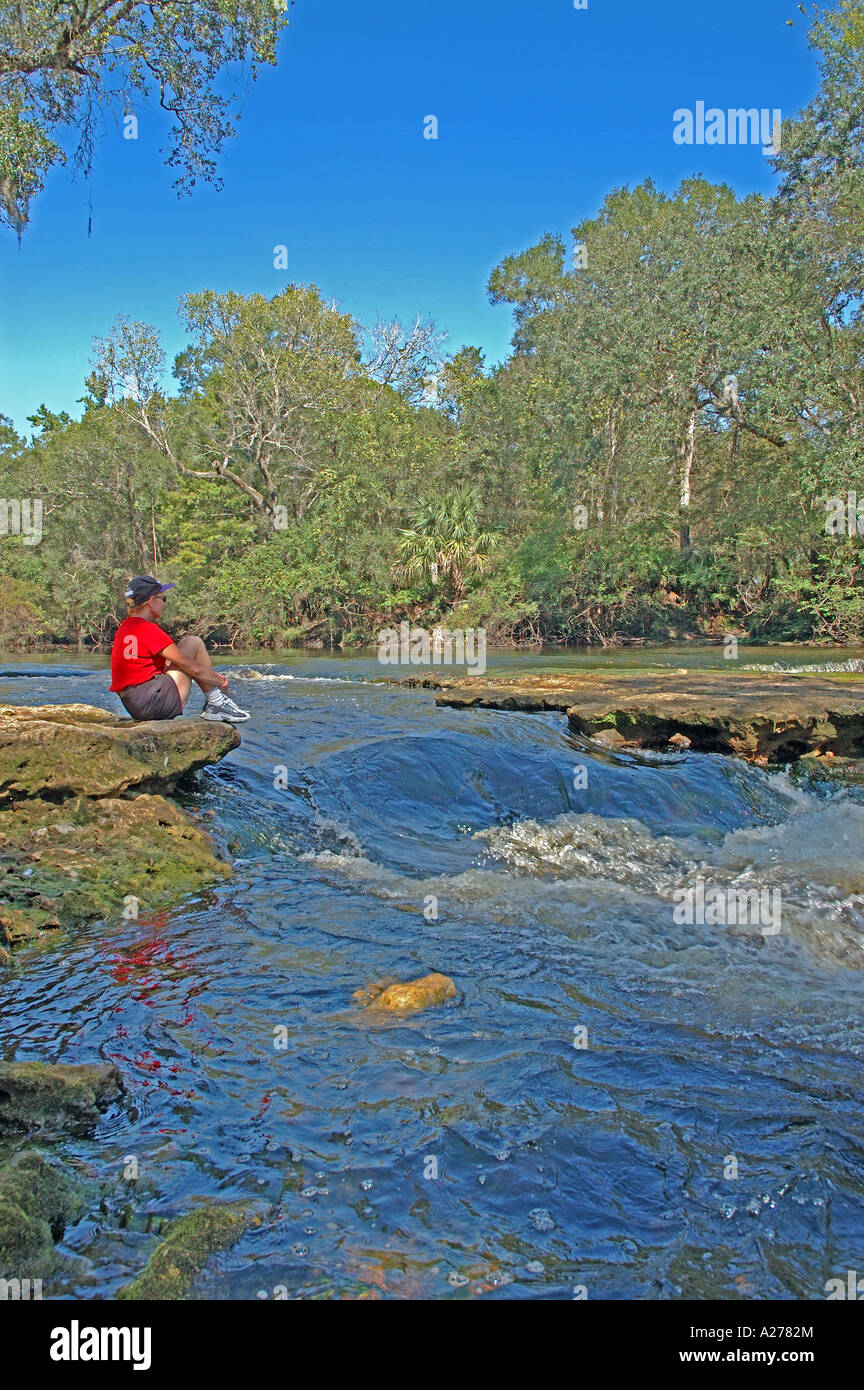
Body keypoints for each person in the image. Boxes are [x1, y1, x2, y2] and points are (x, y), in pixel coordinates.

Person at [110, 575, 250, 723]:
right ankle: (216, 703)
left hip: (134, 704)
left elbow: (165, 665)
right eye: (163, 598)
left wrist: (208, 675)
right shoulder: (147, 629)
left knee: (182, 652)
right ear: (151, 602)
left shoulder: (125, 628)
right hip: (152, 703)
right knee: (193, 642)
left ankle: (216, 703)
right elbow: (191, 666)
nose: (164, 604)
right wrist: (218, 680)